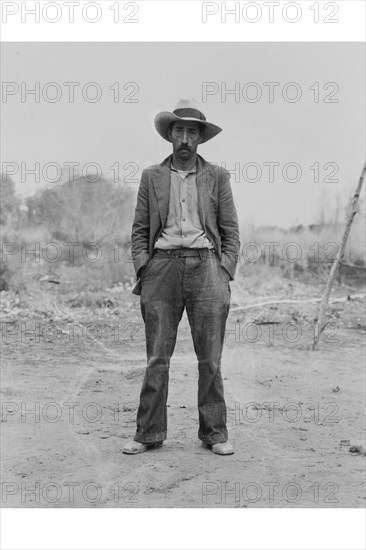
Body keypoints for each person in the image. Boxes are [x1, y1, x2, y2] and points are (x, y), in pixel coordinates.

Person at [123, 99, 240, 455]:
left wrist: (224, 271)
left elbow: (230, 231)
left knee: (211, 358)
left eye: (192, 132)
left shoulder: (216, 176)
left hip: (207, 268)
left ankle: (215, 434)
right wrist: (145, 267)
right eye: (179, 131)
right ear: (170, 136)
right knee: (157, 357)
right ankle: (148, 434)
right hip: (162, 269)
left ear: (200, 139)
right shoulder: (151, 176)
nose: (185, 138)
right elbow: (139, 231)